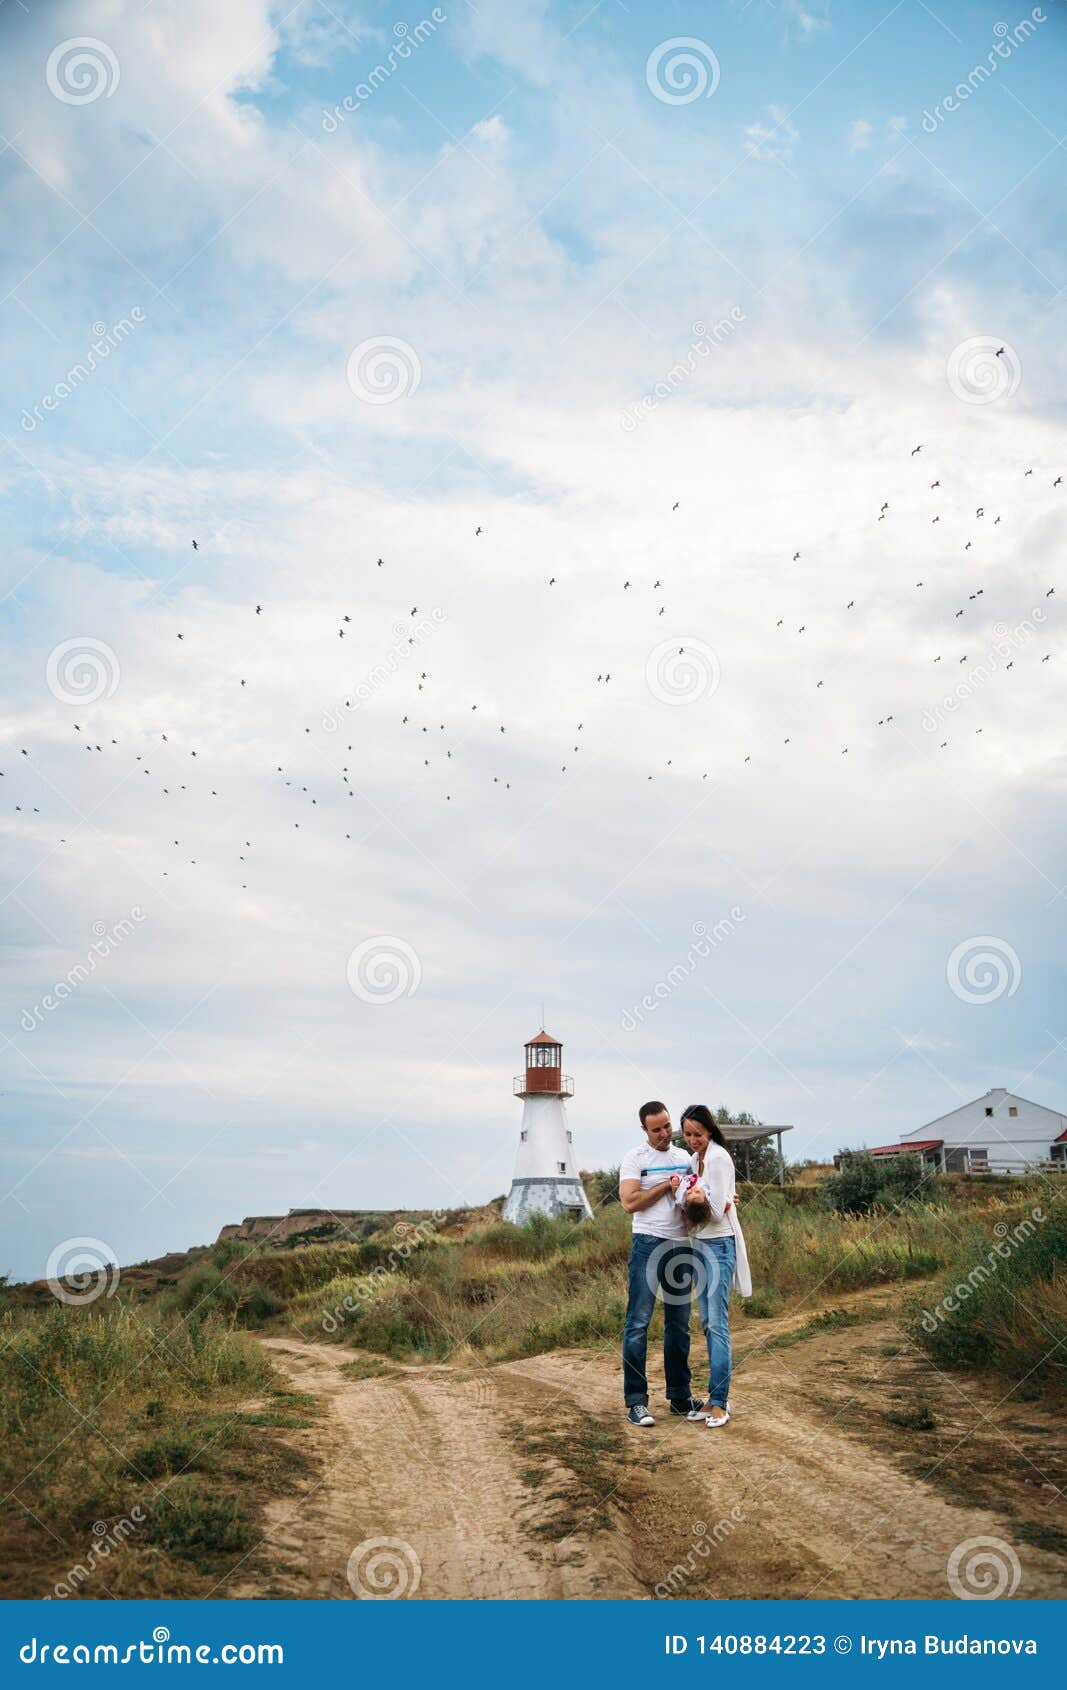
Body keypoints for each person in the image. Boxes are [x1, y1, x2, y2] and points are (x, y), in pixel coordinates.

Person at [618, 1101, 707, 1426]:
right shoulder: (635, 1158)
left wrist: (715, 1200)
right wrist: (662, 1187)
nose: (664, 1133)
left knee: (679, 1325)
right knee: (638, 1323)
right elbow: (629, 1203)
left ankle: (680, 1398)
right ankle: (637, 1402)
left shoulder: (684, 1158)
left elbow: (694, 1198)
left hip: (680, 1244)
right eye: (656, 1129)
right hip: (647, 1242)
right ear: (645, 1130)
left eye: (667, 1126)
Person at [676, 1104, 752, 1428]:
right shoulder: (695, 1160)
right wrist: (693, 1198)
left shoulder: (719, 1158)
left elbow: (718, 1211)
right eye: (688, 1134)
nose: (693, 1140)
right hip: (701, 1243)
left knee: (718, 1323)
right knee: (706, 1321)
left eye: (698, 1133)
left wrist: (696, 1198)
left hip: (720, 1244)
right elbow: (684, 1201)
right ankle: (713, 1396)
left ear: (710, 1130)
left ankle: (720, 1402)